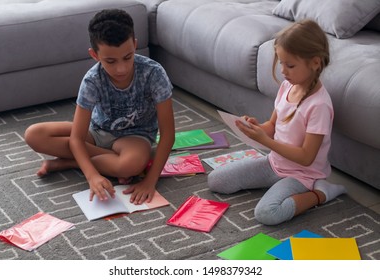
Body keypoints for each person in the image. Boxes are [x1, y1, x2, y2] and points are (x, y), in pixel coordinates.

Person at [25, 9, 175, 205]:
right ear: (94, 54)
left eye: (128, 57)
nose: (121, 68)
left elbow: (168, 134)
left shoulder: (154, 73)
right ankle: (104, 162)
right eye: (110, 61)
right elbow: (77, 139)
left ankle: (69, 163)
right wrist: (92, 176)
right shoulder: (92, 80)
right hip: (96, 132)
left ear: (135, 45)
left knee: (130, 165)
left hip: (135, 137)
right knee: (34, 134)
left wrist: (149, 181)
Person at [208, 19, 346, 226]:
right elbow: (272, 127)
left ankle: (321, 193)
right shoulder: (287, 87)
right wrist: (255, 128)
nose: (283, 71)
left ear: (315, 62)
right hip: (274, 164)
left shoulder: (319, 106)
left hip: (302, 174)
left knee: (267, 214)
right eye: (281, 62)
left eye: (289, 65)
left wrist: (266, 141)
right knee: (216, 180)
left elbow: (307, 157)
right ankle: (278, 187)